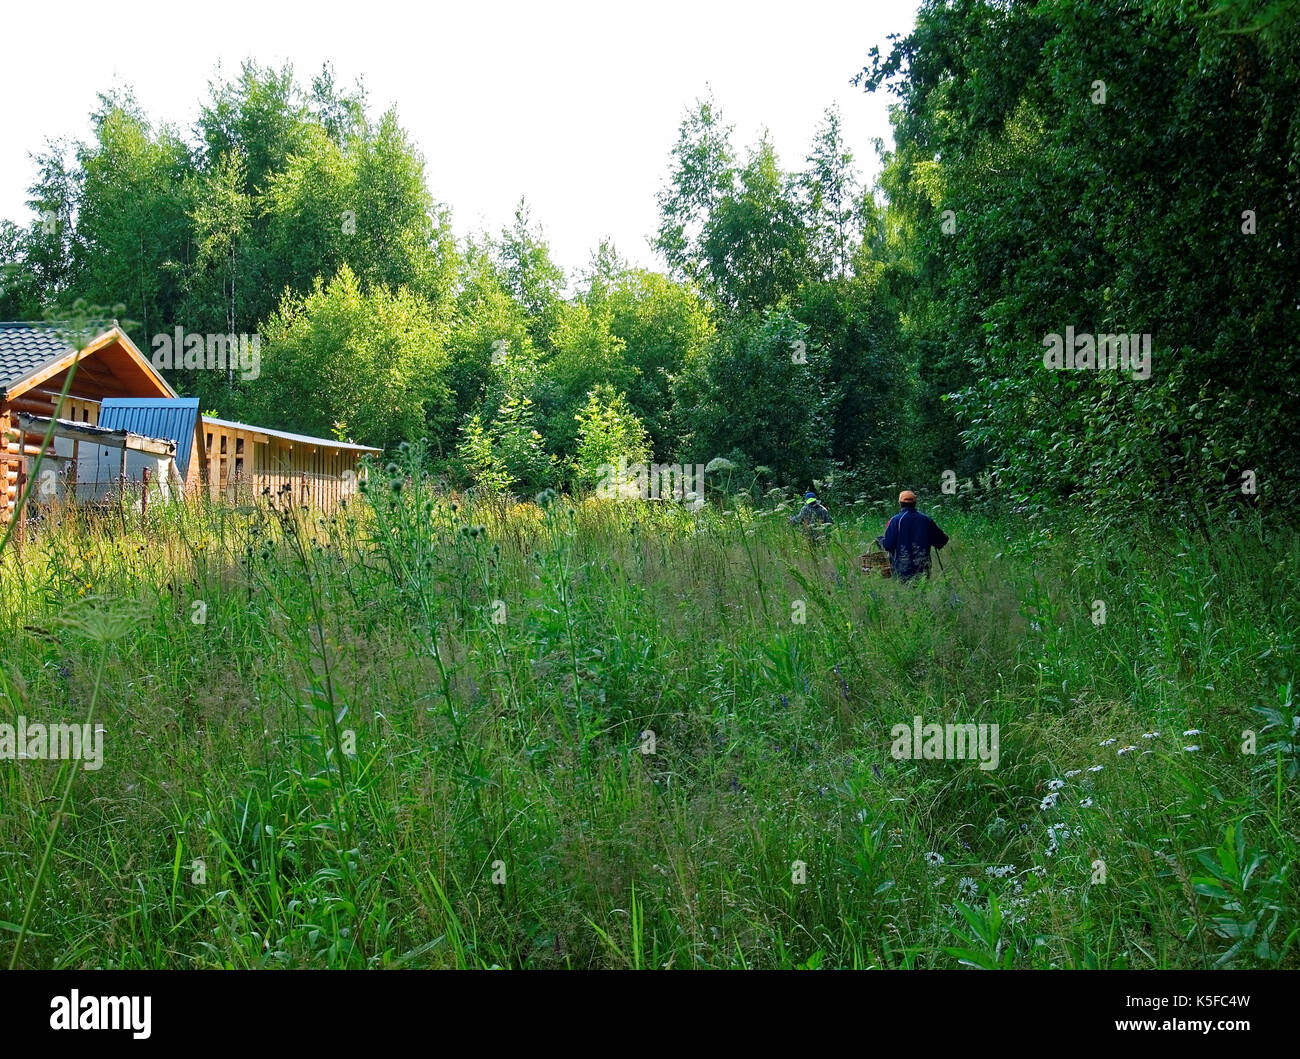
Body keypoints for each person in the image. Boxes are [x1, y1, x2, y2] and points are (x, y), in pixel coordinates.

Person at [878, 490, 948, 581]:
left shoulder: (896, 520)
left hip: (902, 569)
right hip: (923, 568)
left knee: (905, 594)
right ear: (915, 503)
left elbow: (888, 545)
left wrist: (880, 540)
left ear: (900, 503)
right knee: (922, 593)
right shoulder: (926, 520)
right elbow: (941, 541)